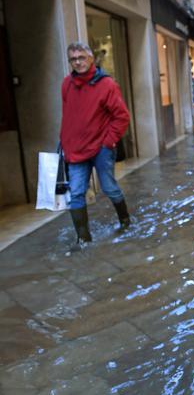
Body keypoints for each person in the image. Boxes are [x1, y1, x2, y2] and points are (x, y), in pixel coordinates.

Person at [60, 42, 131, 247]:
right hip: (75, 148)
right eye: (73, 59)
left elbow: (121, 117)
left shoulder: (107, 84)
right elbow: (68, 116)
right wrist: (65, 141)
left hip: (101, 147)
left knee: (109, 187)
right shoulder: (66, 84)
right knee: (76, 193)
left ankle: (125, 220)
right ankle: (83, 238)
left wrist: (108, 142)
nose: (78, 62)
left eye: (82, 57)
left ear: (91, 58)